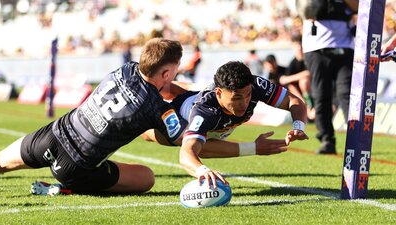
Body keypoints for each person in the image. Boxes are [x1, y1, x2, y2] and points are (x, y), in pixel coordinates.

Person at [0, 38, 188, 195]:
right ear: (166, 73)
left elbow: (161, 87)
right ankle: (66, 188)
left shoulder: (127, 69)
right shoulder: (156, 107)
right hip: (77, 167)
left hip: (52, 136)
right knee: (146, 177)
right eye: (175, 70)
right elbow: (184, 136)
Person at [145, 61, 309, 187]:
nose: (244, 103)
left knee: (181, 92)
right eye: (237, 98)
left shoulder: (255, 85)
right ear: (219, 93)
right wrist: (203, 171)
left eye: (248, 95)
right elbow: (187, 153)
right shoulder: (204, 112)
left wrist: (298, 127)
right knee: (150, 131)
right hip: (177, 117)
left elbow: (294, 101)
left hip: (196, 97)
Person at [300, 0, 359, 154]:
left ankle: (355, 139)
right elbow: (306, 8)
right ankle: (327, 140)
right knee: (321, 95)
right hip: (317, 49)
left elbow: (358, 6)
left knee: (347, 94)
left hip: (345, 48)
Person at [279, 34, 315, 121]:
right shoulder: (293, 62)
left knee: (304, 81)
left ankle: (311, 106)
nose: (299, 49)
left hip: (314, 91)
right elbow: (283, 80)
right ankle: (304, 106)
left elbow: (308, 74)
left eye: (301, 47)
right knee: (291, 85)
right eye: (297, 47)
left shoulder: (310, 59)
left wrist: (290, 78)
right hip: (300, 96)